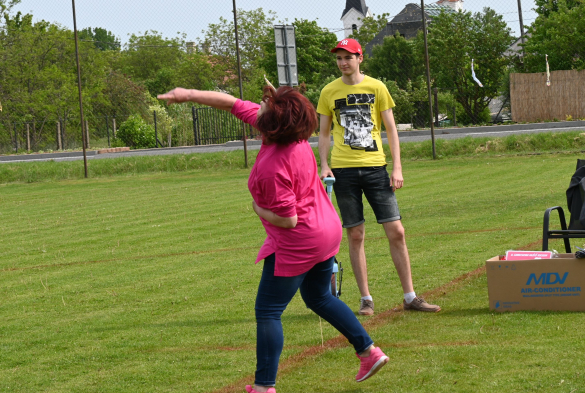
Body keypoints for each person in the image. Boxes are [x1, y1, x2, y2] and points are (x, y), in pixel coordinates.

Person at [158, 84, 388, 392]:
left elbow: (288, 219)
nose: (260, 106)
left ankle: (264, 386)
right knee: (319, 297)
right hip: (326, 230)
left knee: (268, 311)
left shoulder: (271, 165)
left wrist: (257, 209)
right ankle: (368, 351)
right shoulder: (291, 135)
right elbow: (233, 103)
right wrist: (188, 94)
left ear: (273, 122)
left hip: (300, 240)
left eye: (266, 105)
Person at [317, 38, 440, 316]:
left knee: (396, 231)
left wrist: (397, 167)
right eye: (338, 58)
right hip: (343, 171)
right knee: (356, 234)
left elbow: (391, 130)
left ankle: (410, 297)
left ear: (360, 58)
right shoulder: (328, 92)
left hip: (376, 168)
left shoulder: (377, 87)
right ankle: (366, 299)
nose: (342, 62)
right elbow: (323, 133)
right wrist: (324, 165)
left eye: (348, 57)